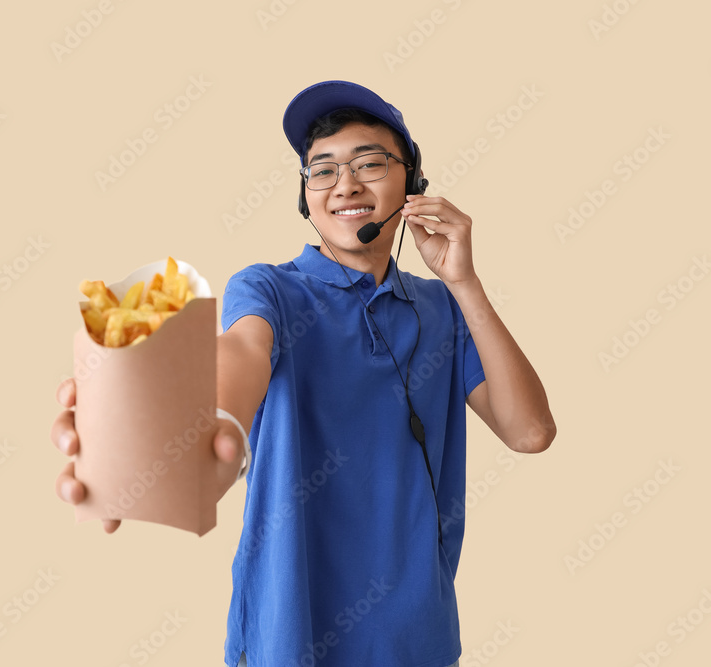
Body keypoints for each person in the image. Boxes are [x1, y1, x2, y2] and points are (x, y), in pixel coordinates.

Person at [52, 80, 556, 667]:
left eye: (369, 163)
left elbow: (530, 432)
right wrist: (209, 423)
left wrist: (463, 282)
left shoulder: (444, 308)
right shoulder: (270, 287)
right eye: (322, 171)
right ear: (305, 195)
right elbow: (242, 350)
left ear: (413, 185)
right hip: (287, 634)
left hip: (417, 640)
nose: (345, 184)